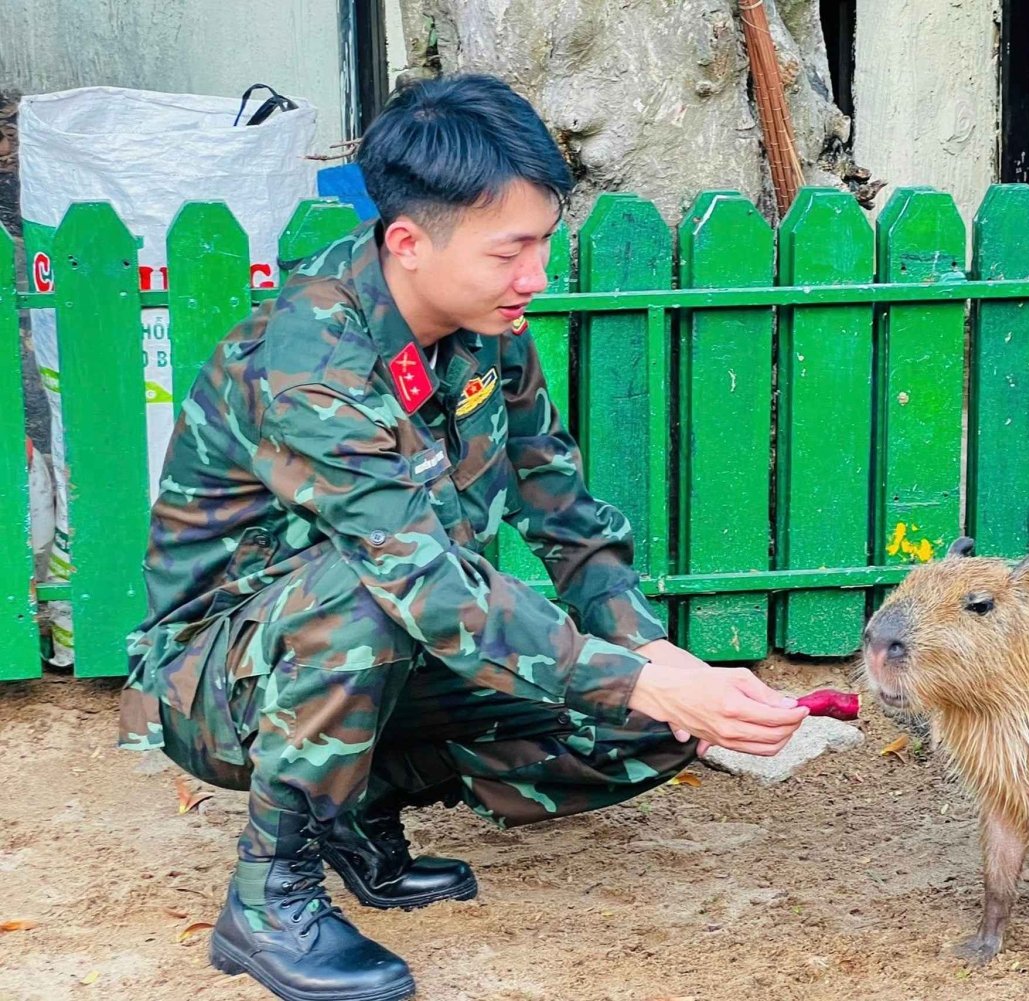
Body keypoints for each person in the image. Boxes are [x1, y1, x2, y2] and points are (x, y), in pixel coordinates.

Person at [117, 73, 809, 1001]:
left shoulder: (488, 327)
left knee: (653, 720)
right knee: (372, 594)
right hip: (219, 678)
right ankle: (270, 898)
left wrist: (651, 654)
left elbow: (564, 513)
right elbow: (420, 582)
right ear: (408, 241)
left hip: (398, 636)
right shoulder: (307, 358)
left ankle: (359, 808)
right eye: (511, 250)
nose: (537, 276)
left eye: (545, 242)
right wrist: (634, 675)